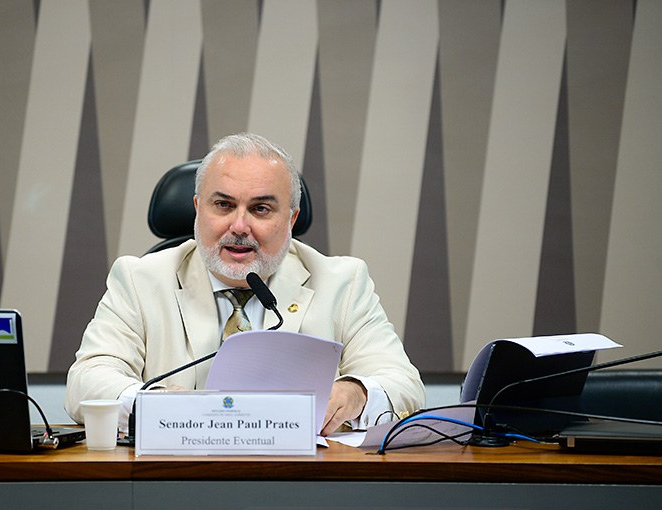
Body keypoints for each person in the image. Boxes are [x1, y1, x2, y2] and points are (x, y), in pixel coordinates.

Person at [65, 133, 424, 436]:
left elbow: (404, 385)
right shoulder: (140, 279)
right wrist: (154, 405)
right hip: (173, 480)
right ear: (197, 209)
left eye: (261, 209)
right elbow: (86, 382)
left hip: (301, 487)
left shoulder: (342, 282)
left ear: (292, 219)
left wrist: (357, 392)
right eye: (222, 205)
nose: (239, 226)